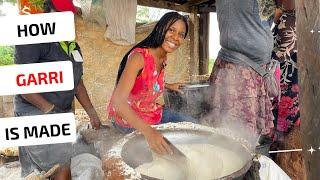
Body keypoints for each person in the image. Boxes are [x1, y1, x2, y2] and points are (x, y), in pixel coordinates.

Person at [14, 0, 101, 179]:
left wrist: (91, 112)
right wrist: (51, 111)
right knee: (58, 167)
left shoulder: (73, 46)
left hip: (58, 112)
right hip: (35, 113)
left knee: (62, 162)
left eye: (71, 15)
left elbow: (77, 83)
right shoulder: (32, 39)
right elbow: (22, 84)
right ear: (48, 12)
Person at [107, 12, 196, 155]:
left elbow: (147, 78)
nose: (175, 37)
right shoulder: (139, 57)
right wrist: (149, 132)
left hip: (150, 111)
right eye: (171, 30)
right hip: (129, 119)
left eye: (181, 34)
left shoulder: (163, 56)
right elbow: (118, 103)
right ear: (160, 28)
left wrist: (168, 85)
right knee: (169, 152)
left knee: (193, 127)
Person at [204, 0, 275, 136]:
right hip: (237, 70)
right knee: (233, 129)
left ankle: (244, 153)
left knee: (248, 131)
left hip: (257, 71)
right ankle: (232, 155)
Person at [271, 1, 306, 179]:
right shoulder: (293, 18)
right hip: (290, 83)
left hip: (287, 84)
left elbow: (279, 54)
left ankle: (282, 170)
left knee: (282, 133)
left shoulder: (289, 18)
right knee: (284, 132)